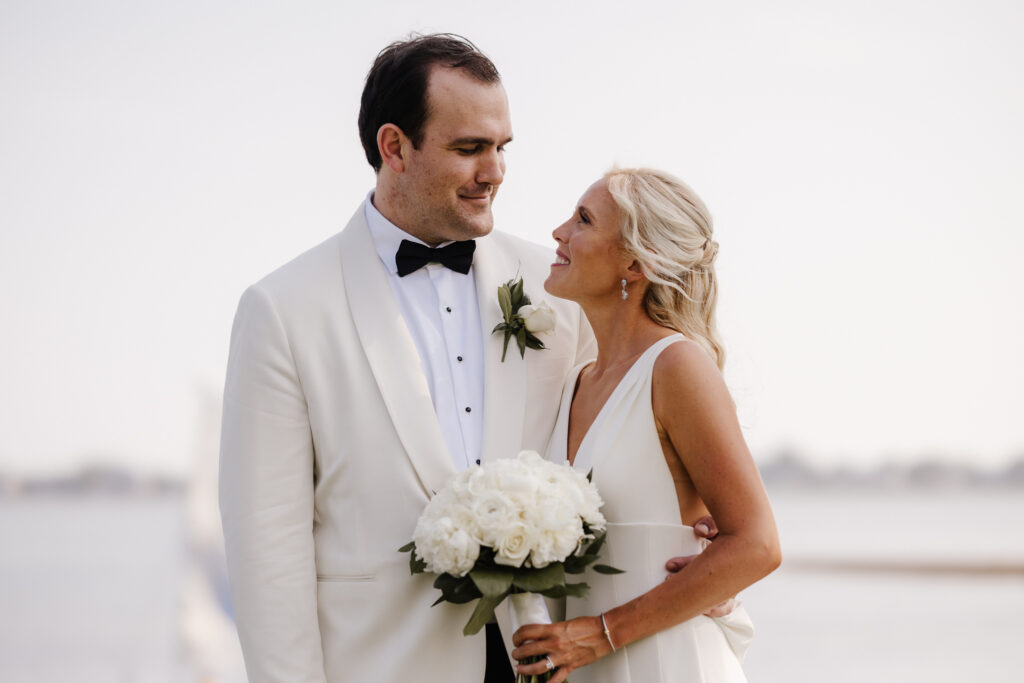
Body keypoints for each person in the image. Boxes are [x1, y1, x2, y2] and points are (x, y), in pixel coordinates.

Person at [218, 34, 597, 683]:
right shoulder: (283, 311)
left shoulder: (556, 287)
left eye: (501, 147)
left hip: (551, 662)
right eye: (469, 148)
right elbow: (268, 556)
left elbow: (612, 454)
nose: (495, 171)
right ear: (394, 147)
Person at [511, 168, 781, 682]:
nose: (559, 232)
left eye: (583, 220)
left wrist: (602, 633)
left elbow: (758, 543)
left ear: (634, 262)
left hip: (668, 663)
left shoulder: (677, 366)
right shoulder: (576, 381)